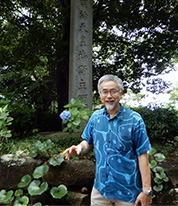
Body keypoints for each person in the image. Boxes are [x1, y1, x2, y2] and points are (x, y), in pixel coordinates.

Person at [63, 74, 152, 206]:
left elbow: (142, 155)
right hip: (101, 190)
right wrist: (79, 148)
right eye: (104, 92)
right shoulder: (96, 117)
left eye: (113, 91)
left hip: (127, 192)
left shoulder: (134, 119)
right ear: (100, 95)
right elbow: (87, 141)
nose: (109, 96)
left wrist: (146, 191)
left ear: (120, 93)